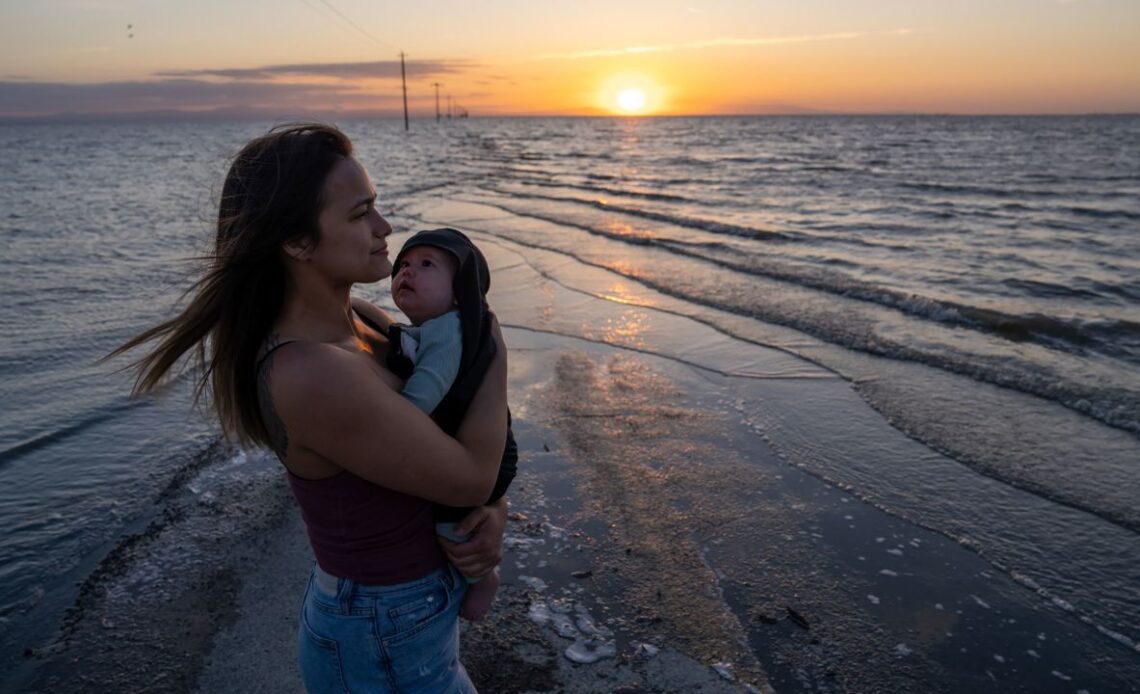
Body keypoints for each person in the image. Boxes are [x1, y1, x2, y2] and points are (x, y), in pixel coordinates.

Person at [112, 123, 508, 693]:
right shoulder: (310, 373)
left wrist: (492, 515)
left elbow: (453, 427)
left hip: (410, 616)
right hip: (379, 630)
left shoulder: (367, 322)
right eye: (360, 213)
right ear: (297, 243)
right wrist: (490, 343)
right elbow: (469, 473)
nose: (384, 228)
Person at [386, 228, 518, 622]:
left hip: (486, 457)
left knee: (451, 522)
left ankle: (480, 578)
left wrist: (391, 415)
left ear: (460, 290)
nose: (408, 272)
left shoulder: (448, 332)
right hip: (475, 444)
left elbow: (427, 390)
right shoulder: (438, 327)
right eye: (404, 265)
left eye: (427, 265)